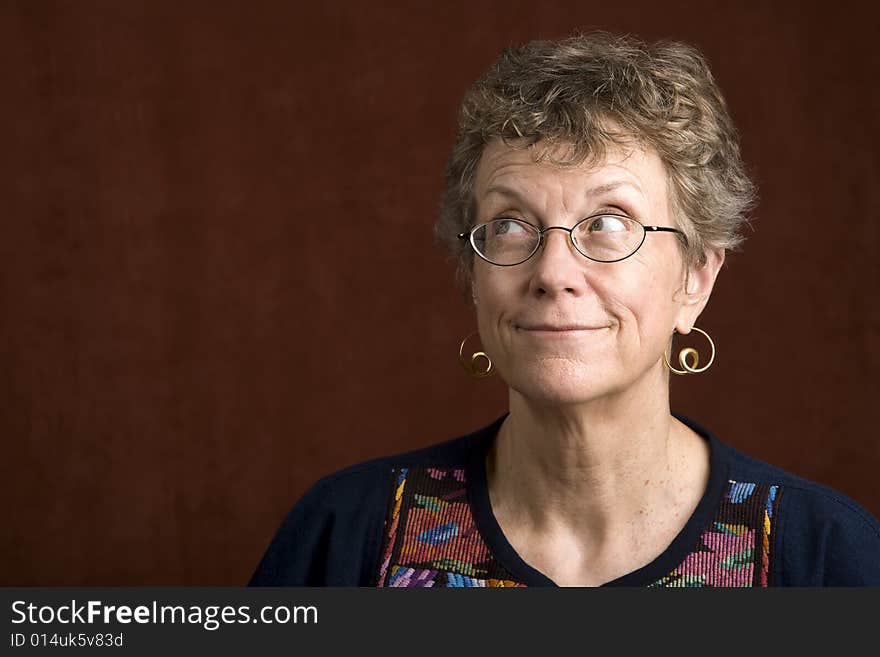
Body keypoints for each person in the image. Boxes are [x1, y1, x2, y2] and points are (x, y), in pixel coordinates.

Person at [249, 32, 880, 587]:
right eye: (512, 225)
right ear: (473, 275)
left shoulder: (823, 554)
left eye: (609, 222)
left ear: (695, 277)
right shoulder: (346, 537)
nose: (552, 273)